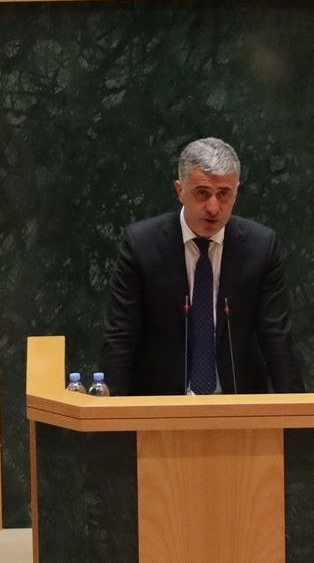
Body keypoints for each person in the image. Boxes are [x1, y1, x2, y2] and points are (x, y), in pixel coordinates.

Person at [98, 137, 303, 396]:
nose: (213, 208)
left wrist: (299, 412)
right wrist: (111, 413)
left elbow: (276, 337)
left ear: (236, 192)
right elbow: (120, 336)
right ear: (180, 190)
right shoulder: (141, 245)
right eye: (202, 193)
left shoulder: (260, 247)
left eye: (224, 194)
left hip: (238, 404)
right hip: (161, 405)